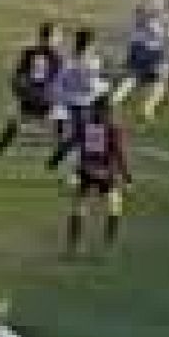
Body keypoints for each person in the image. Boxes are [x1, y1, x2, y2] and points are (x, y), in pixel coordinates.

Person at [47, 93, 132, 257]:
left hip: (86, 171)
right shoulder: (112, 129)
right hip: (105, 173)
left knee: (80, 206)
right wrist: (127, 178)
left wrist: (55, 160)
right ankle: (108, 245)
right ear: (108, 111)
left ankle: (74, 245)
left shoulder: (85, 126)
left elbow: (68, 144)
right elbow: (119, 152)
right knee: (113, 205)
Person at [112, 0, 169, 124]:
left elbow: (165, 25)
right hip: (148, 48)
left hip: (145, 47)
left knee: (139, 78)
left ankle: (118, 103)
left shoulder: (152, 6)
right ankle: (144, 110)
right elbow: (156, 25)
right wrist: (168, 31)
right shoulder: (149, 6)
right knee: (155, 79)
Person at [0, 23, 65, 154]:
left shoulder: (32, 53)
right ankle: (61, 149)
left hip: (33, 94)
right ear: (50, 37)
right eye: (56, 36)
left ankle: (0, 148)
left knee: (18, 120)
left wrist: (18, 89)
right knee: (59, 118)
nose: (58, 40)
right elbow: (58, 79)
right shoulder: (54, 57)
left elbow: (18, 74)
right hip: (42, 96)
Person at [50, 28, 109, 136]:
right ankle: (93, 139)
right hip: (85, 103)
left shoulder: (66, 59)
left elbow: (58, 82)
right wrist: (105, 86)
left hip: (67, 102)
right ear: (90, 45)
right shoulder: (92, 62)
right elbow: (90, 85)